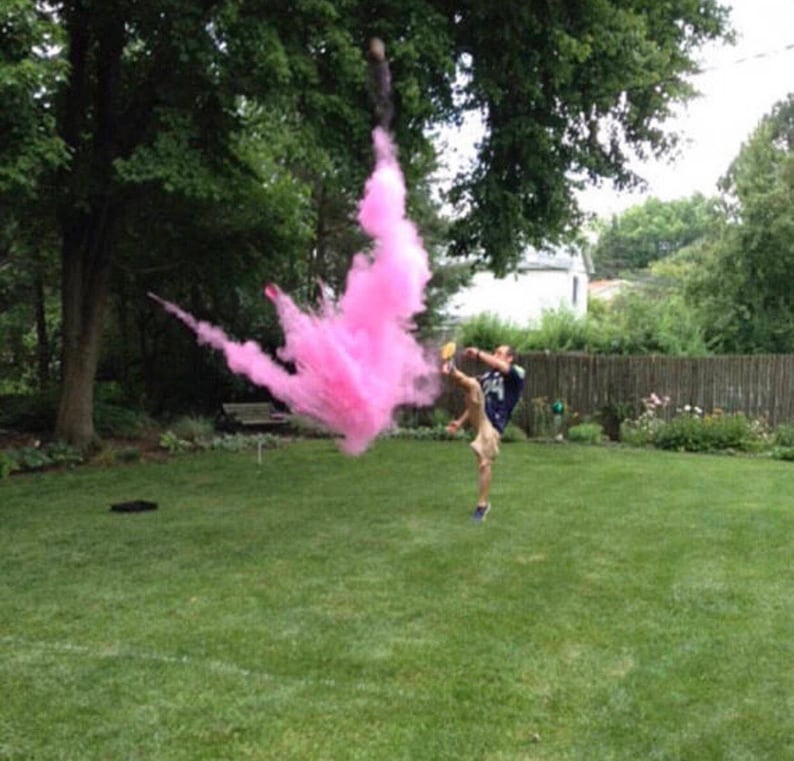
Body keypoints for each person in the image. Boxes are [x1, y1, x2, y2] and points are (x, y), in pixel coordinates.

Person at [442, 345, 526, 522]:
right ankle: (452, 369)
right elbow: (476, 399)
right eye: (494, 352)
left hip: (493, 425)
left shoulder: (516, 374)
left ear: (510, 358)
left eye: (500, 353)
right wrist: (459, 422)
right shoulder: (488, 377)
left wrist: (479, 354)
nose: (495, 355)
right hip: (480, 418)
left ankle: (483, 504)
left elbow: (500, 367)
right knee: (473, 385)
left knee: (483, 464)